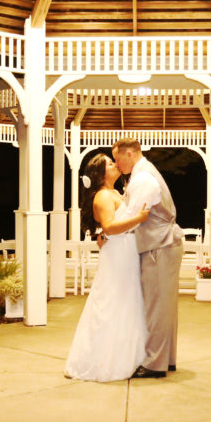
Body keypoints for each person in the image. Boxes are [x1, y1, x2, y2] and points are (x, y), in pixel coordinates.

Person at [64, 154, 151, 382]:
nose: (115, 164)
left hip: (125, 251)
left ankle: (130, 355)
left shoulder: (114, 192)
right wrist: (139, 218)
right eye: (110, 163)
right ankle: (106, 360)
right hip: (118, 253)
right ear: (101, 173)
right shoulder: (103, 196)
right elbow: (110, 227)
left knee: (127, 301)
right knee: (114, 301)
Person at [112, 138, 184, 379]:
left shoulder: (143, 178)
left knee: (157, 307)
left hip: (159, 245)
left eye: (118, 158)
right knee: (164, 306)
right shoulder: (144, 173)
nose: (116, 163)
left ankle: (155, 364)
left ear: (130, 154)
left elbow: (133, 216)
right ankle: (166, 359)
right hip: (161, 244)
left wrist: (107, 231)